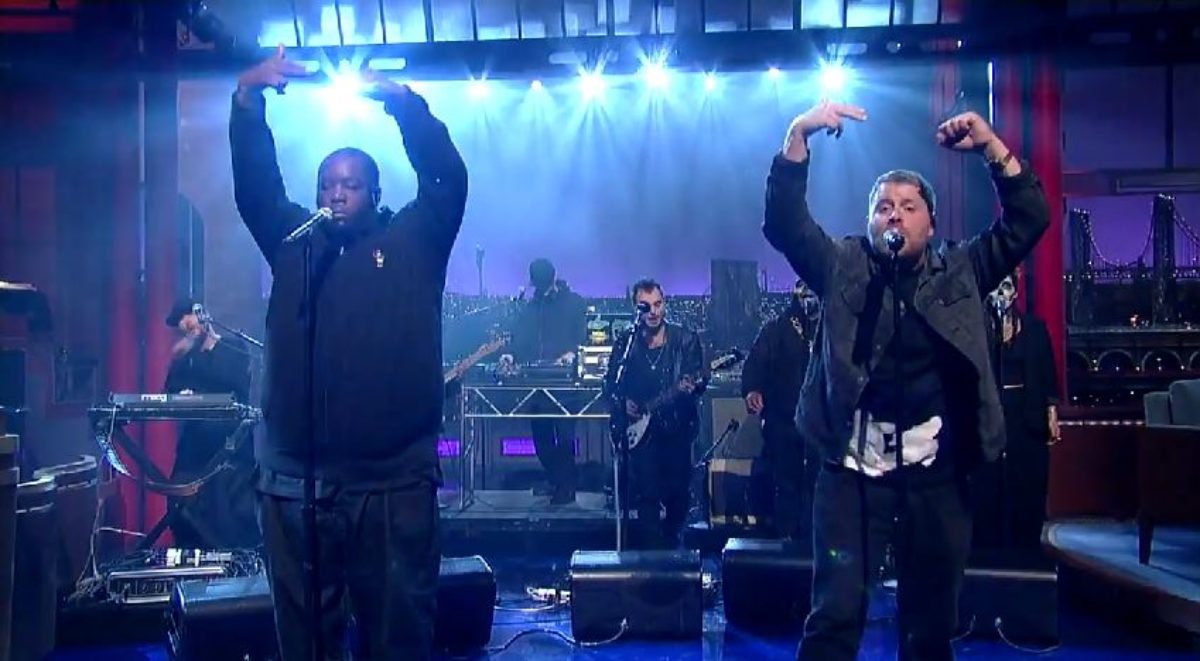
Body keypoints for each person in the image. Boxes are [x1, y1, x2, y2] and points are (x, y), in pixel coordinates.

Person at [763, 101, 1050, 660]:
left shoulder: (962, 270)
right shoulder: (844, 266)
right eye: (884, 207)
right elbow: (785, 226)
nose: (895, 216)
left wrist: (991, 147)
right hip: (852, 473)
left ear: (931, 223)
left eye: (909, 206)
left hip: (935, 475)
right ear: (870, 222)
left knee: (929, 627)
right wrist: (798, 134)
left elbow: (1029, 219)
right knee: (835, 615)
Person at [230, 46, 467, 660]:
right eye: (327, 185)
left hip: (392, 482)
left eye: (351, 185)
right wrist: (247, 102)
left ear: (375, 191)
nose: (337, 195)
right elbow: (255, 188)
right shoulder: (295, 243)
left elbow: (447, 182)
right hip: (295, 481)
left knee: (397, 636)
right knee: (305, 642)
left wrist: (405, 108)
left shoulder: (413, 241)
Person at [604, 278, 707, 549]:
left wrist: (692, 386)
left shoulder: (685, 340)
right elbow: (610, 384)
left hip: (676, 430)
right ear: (635, 308)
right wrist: (623, 402)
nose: (653, 311)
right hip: (641, 434)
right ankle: (651, 557)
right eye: (645, 306)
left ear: (665, 304)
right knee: (646, 496)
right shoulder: (626, 343)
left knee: (678, 496)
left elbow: (699, 379)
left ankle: (674, 549)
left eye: (658, 304)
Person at [972, 268, 1060, 554]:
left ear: (1016, 291)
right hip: (992, 414)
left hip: (1026, 413)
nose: (1001, 294)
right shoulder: (978, 332)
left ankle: (1026, 547)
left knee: (1027, 481)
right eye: (996, 287)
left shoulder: (1035, 329)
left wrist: (1051, 412)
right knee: (990, 483)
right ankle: (989, 548)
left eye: (1007, 287)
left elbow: (1047, 373)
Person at [163, 299, 256, 548]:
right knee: (180, 499)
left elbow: (233, 383)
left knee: (234, 511)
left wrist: (201, 350)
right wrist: (181, 359)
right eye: (180, 324)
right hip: (196, 448)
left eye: (187, 320)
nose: (184, 327)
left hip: (232, 446)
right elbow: (169, 392)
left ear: (201, 314)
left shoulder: (233, 347)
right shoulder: (186, 357)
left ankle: (236, 561)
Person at [741, 280, 817, 541]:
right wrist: (753, 391)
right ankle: (787, 546)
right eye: (803, 293)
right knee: (786, 487)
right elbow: (753, 368)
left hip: (822, 427)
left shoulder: (831, 328)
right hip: (784, 423)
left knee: (820, 487)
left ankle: (815, 549)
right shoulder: (775, 330)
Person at [507, 258, 587, 503]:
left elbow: (582, 336)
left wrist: (572, 353)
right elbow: (520, 338)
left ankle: (566, 487)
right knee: (541, 439)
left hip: (565, 383)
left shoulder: (574, 303)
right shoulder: (531, 306)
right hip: (536, 381)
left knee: (564, 437)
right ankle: (556, 480)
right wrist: (511, 355)